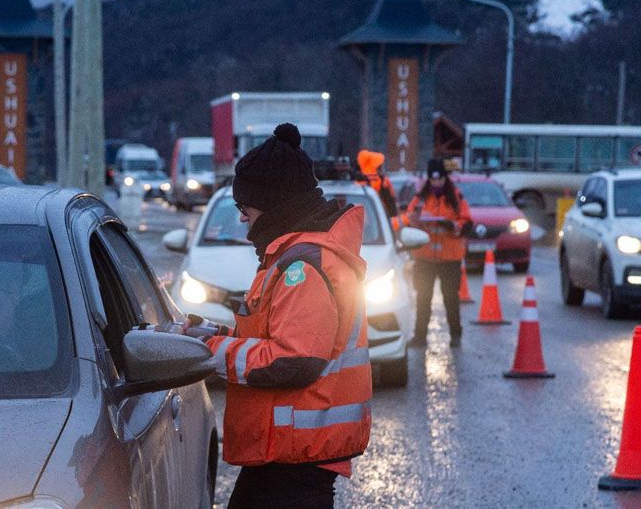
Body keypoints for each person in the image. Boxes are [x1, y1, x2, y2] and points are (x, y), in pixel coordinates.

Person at [186, 123, 372, 509]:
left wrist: (211, 350)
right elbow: (274, 339)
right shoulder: (297, 258)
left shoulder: (301, 267)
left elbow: (294, 360)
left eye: (245, 208)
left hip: (296, 459)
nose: (242, 219)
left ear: (273, 206)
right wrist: (210, 334)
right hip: (286, 454)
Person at [404, 159, 472, 348]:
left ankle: (456, 336)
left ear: (445, 178)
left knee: (451, 298)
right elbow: (409, 218)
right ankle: (419, 337)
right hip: (424, 258)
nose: (436, 183)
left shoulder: (456, 197)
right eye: (433, 180)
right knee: (423, 298)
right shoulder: (420, 198)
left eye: (439, 179)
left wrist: (452, 225)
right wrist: (416, 220)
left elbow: (467, 223)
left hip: (450, 259)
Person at [356, 149, 398, 217]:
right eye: (380, 168)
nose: (381, 171)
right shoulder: (382, 183)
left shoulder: (356, 183)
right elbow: (391, 207)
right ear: (375, 168)